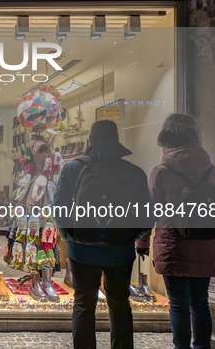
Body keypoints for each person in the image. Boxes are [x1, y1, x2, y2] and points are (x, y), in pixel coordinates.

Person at [53, 120, 152, 349]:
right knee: (119, 305)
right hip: (120, 251)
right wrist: (131, 237)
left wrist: (70, 236)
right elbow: (147, 214)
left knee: (83, 305)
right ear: (117, 141)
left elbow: (59, 206)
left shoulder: (73, 168)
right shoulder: (134, 171)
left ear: (90, 141)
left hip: (82, 249)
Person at [136, 114, 215, 349]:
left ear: (168, 140)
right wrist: (214, 242)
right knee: (200, 302)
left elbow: (150, 213)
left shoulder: (161, 171)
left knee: (178, 304)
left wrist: (142, 242)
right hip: (205, 244)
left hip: (173, 244)